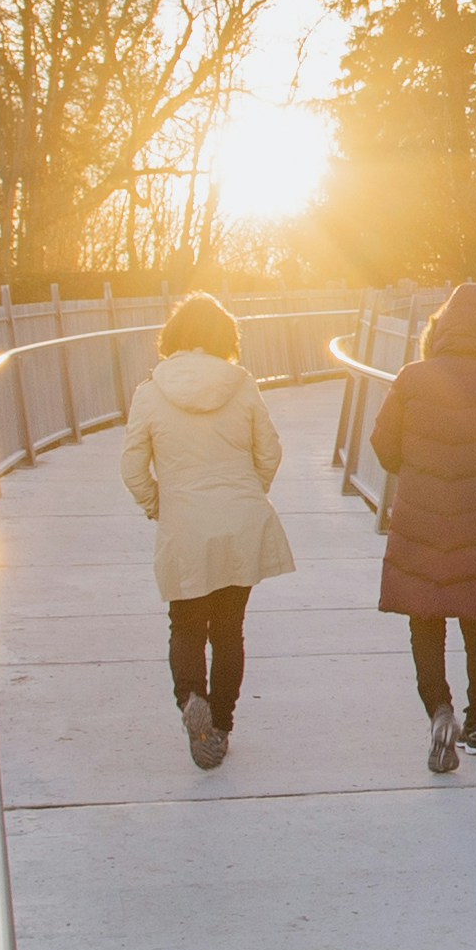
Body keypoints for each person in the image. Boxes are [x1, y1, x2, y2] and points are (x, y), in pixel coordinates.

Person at [119, 293, 295, 771]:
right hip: (240, 519)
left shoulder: (150, 391)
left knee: (187, 623)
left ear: (172, 337)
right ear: (226, 338)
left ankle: (190, 698)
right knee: (229, 629)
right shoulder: (242, 385)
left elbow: (132, 466)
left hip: (185, 523)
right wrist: (246, 492)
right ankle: (220, 724)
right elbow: (270, 452)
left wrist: (160, 505)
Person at [372, 280, 476, 774]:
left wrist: (419, 469)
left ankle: (439, 711)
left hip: (422, 519)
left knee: (426, 621)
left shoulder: (412, 377)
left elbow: (384, 446)